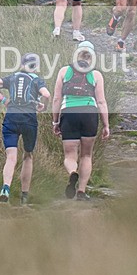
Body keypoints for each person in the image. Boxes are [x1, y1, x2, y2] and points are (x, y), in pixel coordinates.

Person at [0, 52, 51, 205]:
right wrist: (43, 106)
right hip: (29, 119)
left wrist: (4, 100)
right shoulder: (36, 80)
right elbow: (46, 95)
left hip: (11, 118)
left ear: (22, 64)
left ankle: (6, 187)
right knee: (28, 156)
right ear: (36, 66)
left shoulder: (12, 78)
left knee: (11, 157)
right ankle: (24, 195)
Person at [51, 41, 110, 201]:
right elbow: (102, 102)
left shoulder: (64, 71)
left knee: (70, 155)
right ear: (92, 57)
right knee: (86, 155)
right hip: (89, 114)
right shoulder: (96, 75)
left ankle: (72, 173)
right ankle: (82, 192)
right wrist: (106, 125)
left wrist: (55, 122)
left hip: (69, 113)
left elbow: (57, 99)